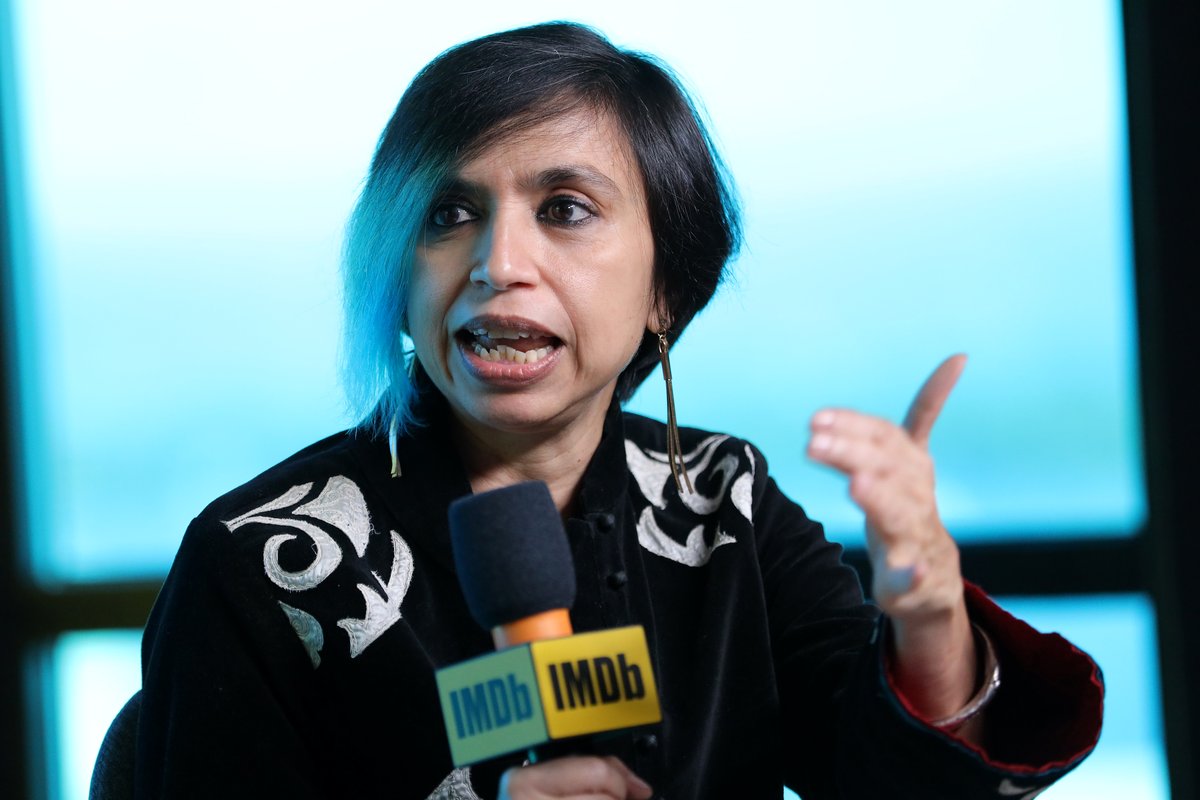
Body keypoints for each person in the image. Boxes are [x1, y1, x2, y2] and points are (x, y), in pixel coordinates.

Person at [135, 21, 1103, 800]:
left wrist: (929, 613)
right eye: (448, 213)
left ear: (665, 288)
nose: (498, 262)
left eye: (564, 208)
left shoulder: (723, 502)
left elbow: (892, 778)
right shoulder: (259, 560)